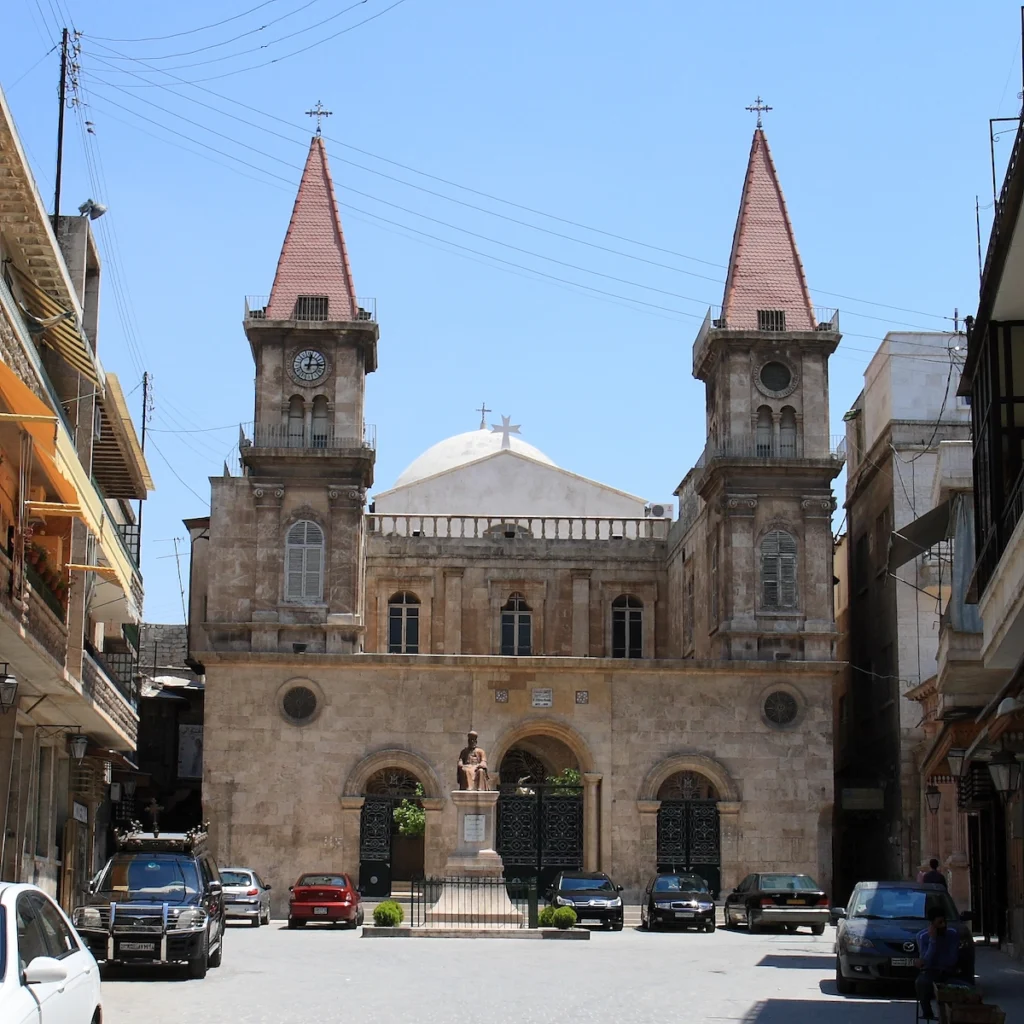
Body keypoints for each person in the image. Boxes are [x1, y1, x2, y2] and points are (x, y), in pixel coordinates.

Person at [915, 906, 960, 1020]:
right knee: (921, 983)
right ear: (932, 924)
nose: (943, 925)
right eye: (939, 923)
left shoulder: (952, 934)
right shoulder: (922, 936)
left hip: (948, 971)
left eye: (944, 922)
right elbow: (926, 961)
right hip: (930, 972)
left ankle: (947, 1016)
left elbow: (952, 959)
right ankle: (928, 1013)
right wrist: (933, 941)